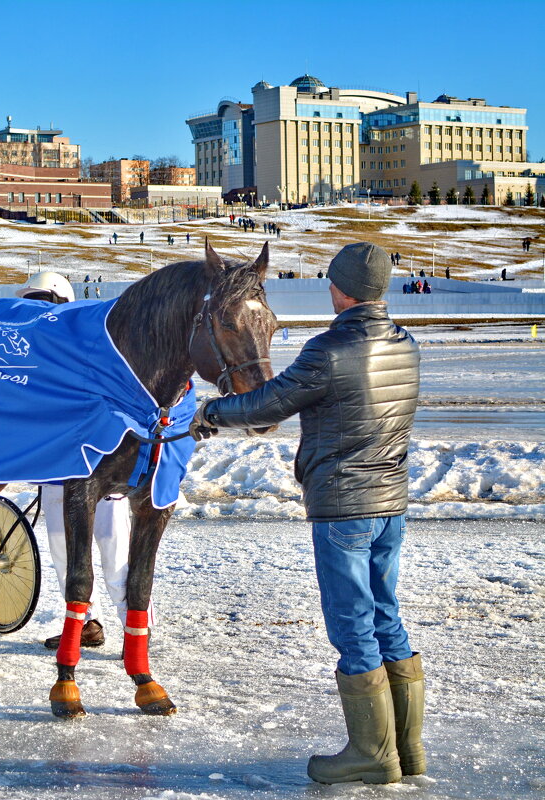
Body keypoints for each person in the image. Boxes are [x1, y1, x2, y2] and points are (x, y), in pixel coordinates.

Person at [191, 242, 422, 785]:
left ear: (340, 288)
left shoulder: (329, 350)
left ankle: (371, 752)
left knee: (353, 624)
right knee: (386, 614)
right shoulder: (405, 345)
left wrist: (210, 411)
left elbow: (269, 402)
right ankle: (406, 749)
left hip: (344, 506)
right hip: (391, 503)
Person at [14, 271, 142, 650]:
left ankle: (134, 632)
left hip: (100, 472)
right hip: (56, 470)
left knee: (115, 555)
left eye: (40, 301)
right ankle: (85, 623)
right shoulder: (29, 354)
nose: (33, 310)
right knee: (64, 554)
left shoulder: (93, 349)